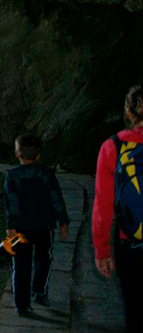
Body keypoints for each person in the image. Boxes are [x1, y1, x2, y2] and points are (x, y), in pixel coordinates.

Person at [93, 85, 143, 332]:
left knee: (134, 310)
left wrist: (102, 250)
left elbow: (103, 207)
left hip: (130, 243)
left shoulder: (112, 147)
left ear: (128, 111)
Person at [5, 134, 70, 316]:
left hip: (21, 227)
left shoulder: (12, 176)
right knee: (44, 258)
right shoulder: (46, 174)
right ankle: (39, 291)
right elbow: (55, 198)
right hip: (43, 225)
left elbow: (11, 202)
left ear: (16, 153)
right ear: (39, 155)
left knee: (21, 264)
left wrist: (11, 226)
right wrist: (63, 220)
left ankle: (22, 304)